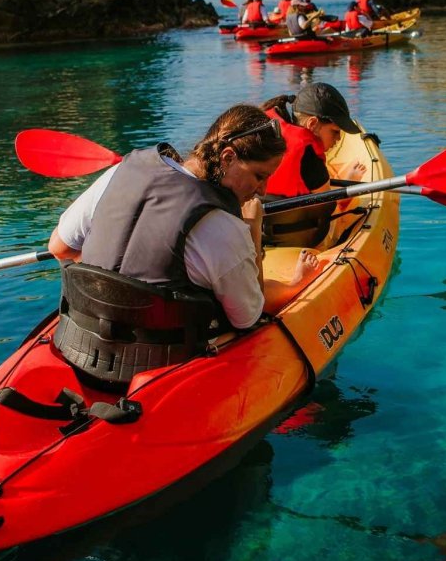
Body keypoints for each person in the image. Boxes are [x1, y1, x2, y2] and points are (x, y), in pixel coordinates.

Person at [46, 105, 323, 385]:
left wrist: (110, 283)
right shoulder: (222, 226)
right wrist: (252, 228)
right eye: (259, 176)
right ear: (227, 157)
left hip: (82, 345)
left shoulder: (121, 171)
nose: (262, 190)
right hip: (158, 368)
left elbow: (59, 247)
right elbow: (248, 317)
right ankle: (297, 283)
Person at [258, 83, 369, 246]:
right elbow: (328, 204)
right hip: (298, 237)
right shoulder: (309, 157)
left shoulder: (260, 127)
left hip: (256, 233)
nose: (338, 140)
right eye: (335, 131)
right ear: (312, 124)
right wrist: (348, 188)